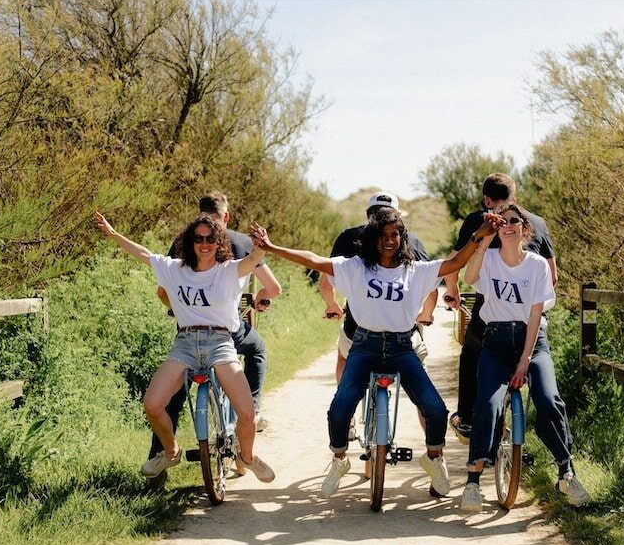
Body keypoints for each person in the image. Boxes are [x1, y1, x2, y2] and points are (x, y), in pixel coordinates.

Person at [251, 207, 503, 498]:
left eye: (396, 235)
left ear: (402, 238)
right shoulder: (356, 267)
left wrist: (480, 234)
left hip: (401, 347)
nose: (390, 240)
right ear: (373, 238)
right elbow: (313, 259)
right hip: (365, 346)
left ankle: (434, 459)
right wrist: (271, 248)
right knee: (340, 407)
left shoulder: (415, 271)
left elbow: (456, 261)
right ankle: (339, 460)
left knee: (436, 409)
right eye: (383, 235)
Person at [94, 211, 275, 483]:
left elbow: (252, 261)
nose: (205, 244)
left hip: (220, 343)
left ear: (219, 241)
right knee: (153, 405)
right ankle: (171, 452)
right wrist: (112, 234)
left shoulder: (228, 271)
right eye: (199, 238)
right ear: (190, 241)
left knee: (248, 413)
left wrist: (262, 245)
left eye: (211, 238)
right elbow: (143, 254)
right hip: (185, 344)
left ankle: (246, 457)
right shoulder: (176, 270)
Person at [443, 173, 589, 507]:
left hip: (531, 338)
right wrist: (485, 236)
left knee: (549, 399)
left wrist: (524, 359)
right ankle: (473, 480)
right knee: (488, 403)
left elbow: (540, 302)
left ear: (526, 228)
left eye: (515, 222)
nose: (508, 224)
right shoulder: (488, 247)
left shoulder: (534, 264)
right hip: (495, 336)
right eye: (504, 221)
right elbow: (469, 273)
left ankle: (567, 474)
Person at [149, 191, 281, 485]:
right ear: (227, 216)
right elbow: (273, 287)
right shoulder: (242, 241)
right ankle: (253, 411)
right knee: (256, 349)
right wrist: (259, 299)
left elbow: (163, 291)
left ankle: (159, 459)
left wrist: (178, 307)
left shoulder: (185, 242)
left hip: (189, 327)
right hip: (228, 330)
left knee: (172, 395)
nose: (206, 242)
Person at [318, 191, 437, 436]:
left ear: (368, 215)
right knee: (420, 384)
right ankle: (433, 444)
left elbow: (326, 280)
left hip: (358, 330)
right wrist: (425, 314)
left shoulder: (350, 237)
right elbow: (431, 288)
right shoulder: (410, 241)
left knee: (344, 357)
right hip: (405, 333)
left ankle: (348, 415)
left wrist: (332, 306)